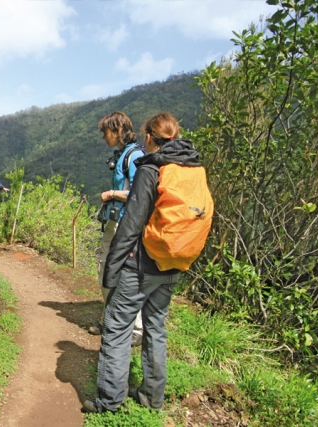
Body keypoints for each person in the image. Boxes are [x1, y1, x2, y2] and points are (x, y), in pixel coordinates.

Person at [83, 112, 203, 413]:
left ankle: (109, 403)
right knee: (155, 327)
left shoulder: (152, 168)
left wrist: (112, 267)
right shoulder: (191, 166)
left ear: (149, 136)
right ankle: (151, 398)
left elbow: (132, 224)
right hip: (175, 259)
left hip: (144, 261)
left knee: (117, 325)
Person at [90, 111, 144, 346]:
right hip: (114, 222)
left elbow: (139, 192)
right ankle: (112, 319)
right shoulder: (124, 155)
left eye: (106, 132)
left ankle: (135, 329)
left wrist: (111, 194)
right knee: (106, 268)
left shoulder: (134, 157)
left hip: (125, 224)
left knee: (125, 273)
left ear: (117, 131)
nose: (104, 137)